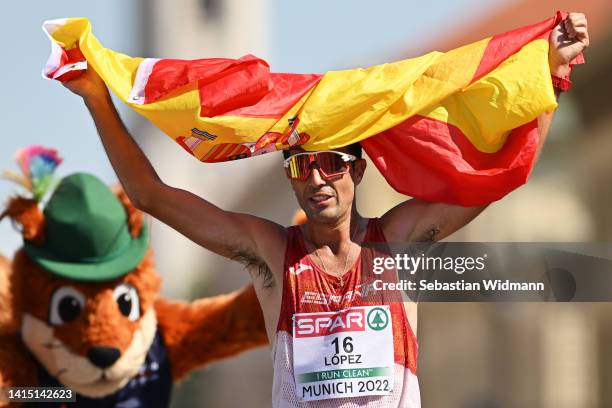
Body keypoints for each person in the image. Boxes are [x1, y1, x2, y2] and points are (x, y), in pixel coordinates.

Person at [60, 13, 588, 407]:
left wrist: (552, 75)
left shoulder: (396, 240)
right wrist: (96, 99)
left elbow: (496, 179)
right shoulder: (272, 252)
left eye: (332, 164)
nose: (317, 179)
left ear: (357, 171)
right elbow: (152, 195)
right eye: (300, 168)